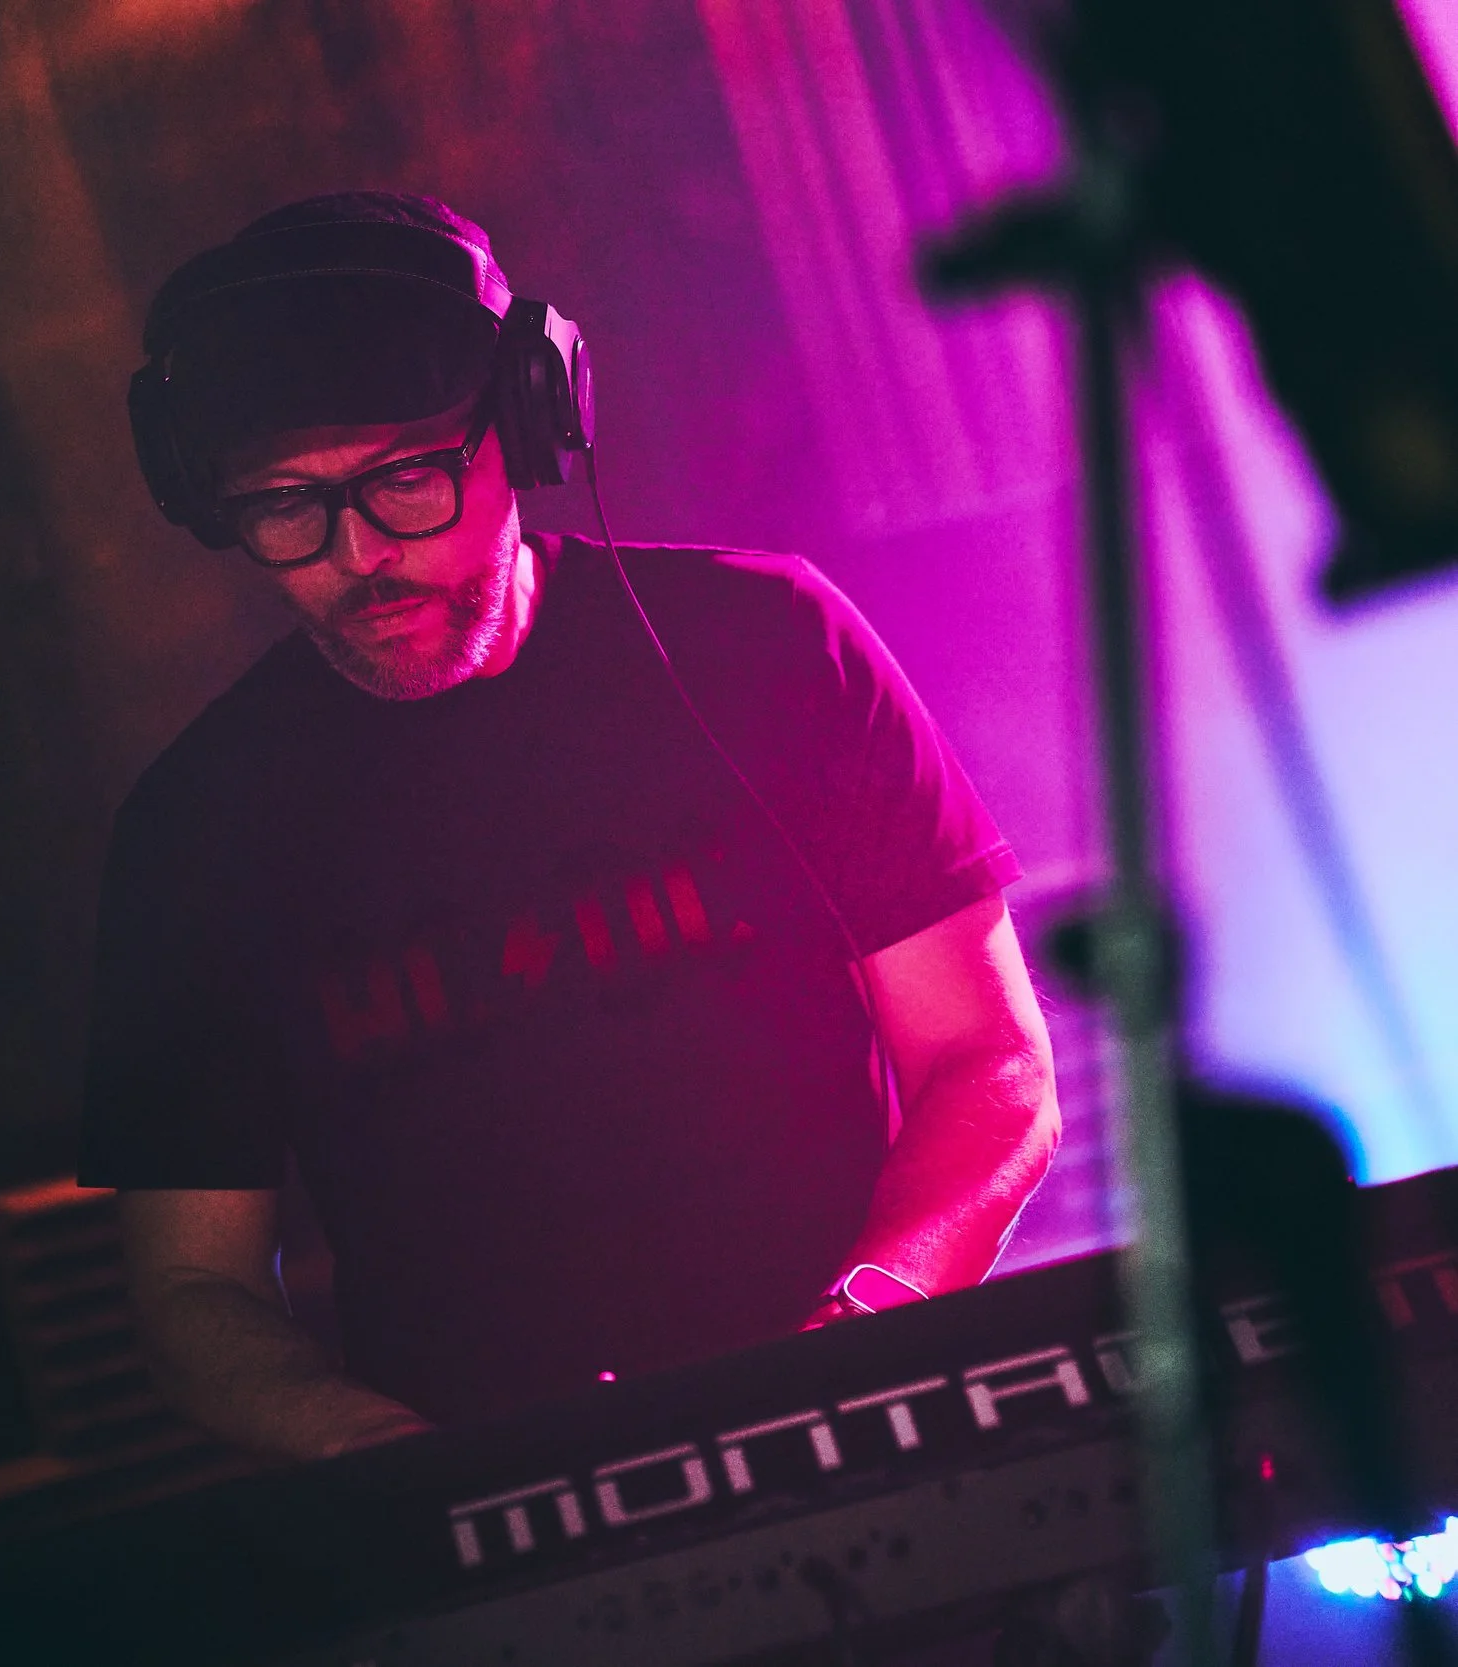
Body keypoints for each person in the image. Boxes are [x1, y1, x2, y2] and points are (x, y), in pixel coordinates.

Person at [80, 192, 1059, 1462]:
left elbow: (985, 1065)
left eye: (409, 481)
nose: (359, 553)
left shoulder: (770, 651)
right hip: (475, 1505)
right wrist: (401, 1464)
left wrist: (863, 1335)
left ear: (528, 424)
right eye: (284, 506)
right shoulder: (193, 827)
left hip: (861, 1427)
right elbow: (192, 1287)